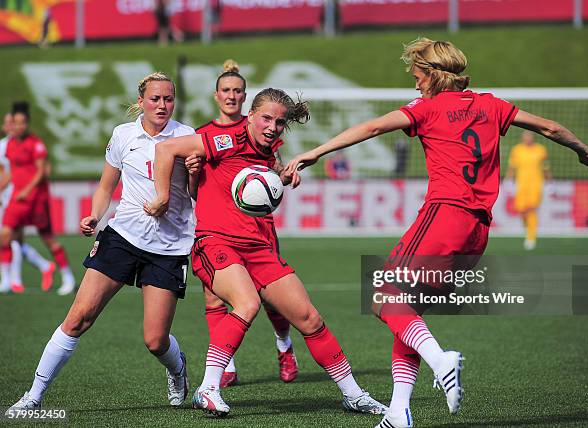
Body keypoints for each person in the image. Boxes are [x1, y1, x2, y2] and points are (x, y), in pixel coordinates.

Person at [285, 38, 588, 428]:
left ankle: (442, 360)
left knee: (384, 298)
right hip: (478, 229)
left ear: (433, 76)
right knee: (408, 311)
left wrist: (312, 153)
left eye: (418, 76)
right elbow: (551, 127)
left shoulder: (427, 108)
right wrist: (582, 149)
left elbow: (372, 127)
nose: (415, 85)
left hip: (444, 215)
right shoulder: (492, 104)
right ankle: (399, 412)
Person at [145, 88, 387, 417]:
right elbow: (165, 149)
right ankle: (209, 387)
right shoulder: (224, 139)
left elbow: (263, 181)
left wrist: (282, 176)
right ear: (251, 114)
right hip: (215, 242)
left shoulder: (268, 149)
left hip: (258, 245)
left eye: (280, 122)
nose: (272, 127)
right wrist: (162, 196)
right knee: (247, 303)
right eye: (266, 119)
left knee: (309, 317)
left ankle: (353, 394)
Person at [6, 72, 195, 412]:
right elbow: (106, 186)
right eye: (155, 98)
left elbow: (197, 193)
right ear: (141, 101)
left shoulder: (187, 136)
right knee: (79, 317)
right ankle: (33, 396)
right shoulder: (124, 135)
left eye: (168, 98)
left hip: (168, 247)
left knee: (155, 340)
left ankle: (178, 368)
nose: (162, 105)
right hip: (122, 237)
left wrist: (194, 172)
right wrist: (95, 214)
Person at [189, 60, 299, 387]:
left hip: (257, 227)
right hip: (216, 227)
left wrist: (284, 174)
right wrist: (193, 171)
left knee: (269, 296)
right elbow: (193, 190)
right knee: (213, 298)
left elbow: (271, 172)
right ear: (216, 95)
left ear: (246, 98)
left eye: (238, 91)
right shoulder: (203, 136)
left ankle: (284, 347)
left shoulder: (261, 130)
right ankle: (227, 367)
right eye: (226, 90)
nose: (232, 96)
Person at [0, 102, 74, 295]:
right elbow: (11, 172)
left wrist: (27, 190)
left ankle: (68, 277)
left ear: (27, 123)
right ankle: (6, 280)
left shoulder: (36, 144)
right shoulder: (10, 145)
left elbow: (41, 171)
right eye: (15, 123)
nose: (18, 127)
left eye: (22, 123)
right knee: (5, 236)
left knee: (49, 240)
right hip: (17, 199)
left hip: (35, 199)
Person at [506, 130, 551, 250]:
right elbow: (512, 167)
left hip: (536, 185)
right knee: (521, 210)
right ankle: (528, 230)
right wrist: (508, 181)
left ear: (533, 138)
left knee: (531, 209)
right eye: (525, 136)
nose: (528, 138)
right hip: (521, 185)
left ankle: (531, 237)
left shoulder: (541, 150)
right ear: (522, 138)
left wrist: (549, 182)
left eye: (530, 136)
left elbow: (546, 167)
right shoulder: (517, 150)